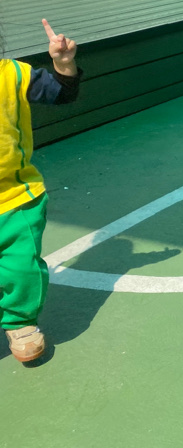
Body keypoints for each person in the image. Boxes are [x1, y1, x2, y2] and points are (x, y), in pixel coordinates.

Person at [1, 19, 81, 364]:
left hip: (14, 197)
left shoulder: (13, 74)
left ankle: (19, 321)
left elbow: (62, 92)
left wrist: (64, 64)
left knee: (20, 267)